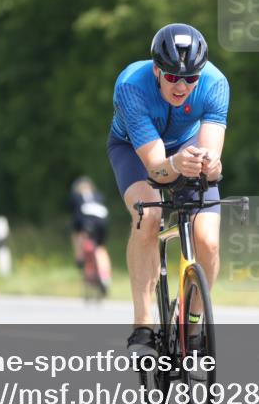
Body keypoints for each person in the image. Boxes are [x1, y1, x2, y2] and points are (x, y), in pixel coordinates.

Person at [107, 23, 228, 356]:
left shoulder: (216, 83)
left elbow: (211, 153)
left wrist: (211, 166)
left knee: (208, 240)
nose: (182, 86)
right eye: (173, 77)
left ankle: (193, 319)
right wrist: (175, 166)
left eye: (191, 79)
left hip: (185, 146)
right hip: (134, 149)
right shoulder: (132, 85)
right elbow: (157, 168)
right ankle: (143, 323)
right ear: (157, 70)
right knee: (149, 214)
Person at [70, 176, 112, 295]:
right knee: (100, 247)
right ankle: (105, 277)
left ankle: (80, 257)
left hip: (85, 220)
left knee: (78, 235)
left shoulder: (75, 196)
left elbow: (75, 221)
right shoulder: (98, 195)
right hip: (102, 220)